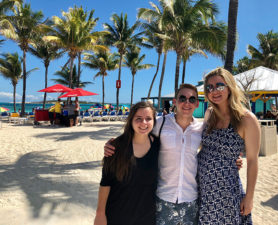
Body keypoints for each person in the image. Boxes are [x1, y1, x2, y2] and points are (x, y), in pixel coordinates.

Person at [104, 84, 243, 225]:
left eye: (191, 99)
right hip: (163, 199)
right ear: (175, 102)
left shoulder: (201, 129)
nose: (186, 102)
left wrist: (231, 160)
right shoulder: (160, 123)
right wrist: (114, 144)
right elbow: (137, 133)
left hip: (191, 199)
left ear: (196, 104)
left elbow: (211, 150)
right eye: (182, 98)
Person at [198, 68, 260, 224]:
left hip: (226, 191)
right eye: (209, 87)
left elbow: (253, 160)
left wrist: (249, 197)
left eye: (219, 85)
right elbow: (202, 147)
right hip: (202, 188)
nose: (214, 91)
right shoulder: (209, 114)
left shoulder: (246, 119)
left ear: (230, 87)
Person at [94, 101, 160, 225]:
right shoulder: (115, 147)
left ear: (154, 121)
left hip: (147, 217)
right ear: (131, 120)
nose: (144, 123)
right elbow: (105, 183)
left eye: (148, 119)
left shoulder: (158, 145)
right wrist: (100, 214)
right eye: (138, 118)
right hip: (117, 215)